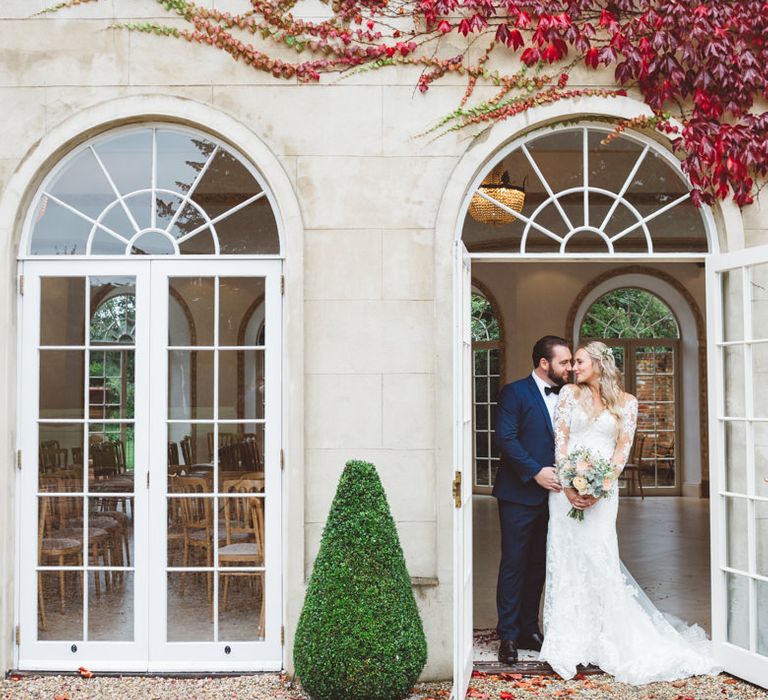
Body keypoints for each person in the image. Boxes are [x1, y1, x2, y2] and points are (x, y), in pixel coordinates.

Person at [539, 341, 721, 683]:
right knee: (565, 558)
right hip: (564, 493)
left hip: (603, 494)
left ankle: (608, 637)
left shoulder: (628, 403)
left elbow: (621, 452)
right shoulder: (567, 396)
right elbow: (560, 441)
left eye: (579, 361)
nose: (574, 368)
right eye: (573, 363)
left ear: (598, 363)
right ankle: (568, 640)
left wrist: (598, 487)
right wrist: (567, 485)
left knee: (599, 555)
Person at [493, 335, 584, 664]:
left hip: (557, 498)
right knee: (514, 564)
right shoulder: (514, 392)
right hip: (519, 493)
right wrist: (535, 472)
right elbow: (505, 438)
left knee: (540, 564)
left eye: (572, 361)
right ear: (544, 363)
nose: (570, 367)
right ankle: (507, 635)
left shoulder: (571, 396)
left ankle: (529, 627)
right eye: (564, 362)